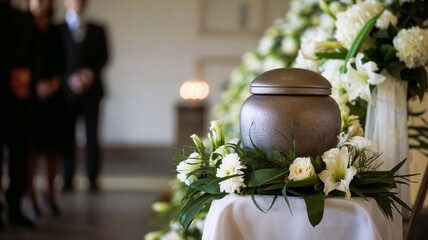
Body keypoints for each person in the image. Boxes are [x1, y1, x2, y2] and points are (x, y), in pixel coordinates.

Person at [60, 0, 108, 192]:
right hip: (66, 93)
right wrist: (69, 79)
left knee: (92, 136)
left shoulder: (98, 28)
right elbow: (56, 58)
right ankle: (67, 178)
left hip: (92, 92)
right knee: (66, 136)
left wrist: (87, 76)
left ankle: (92, 179)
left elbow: (104, 56)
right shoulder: (58, 29)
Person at [0, 0, 38, 228]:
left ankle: (15, 207)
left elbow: (36, 54)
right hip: (7, 93)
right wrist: (12, 76)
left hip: (19, 101)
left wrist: (29, 76)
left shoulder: (24, 19)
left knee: (19, 156)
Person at [27, 0, 65, 216]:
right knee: (30, 150)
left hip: (53, 97)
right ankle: (30, 196)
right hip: (30, 97)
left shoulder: (56, 30)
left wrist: (54, 84)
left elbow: (63, 60)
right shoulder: (23, 27)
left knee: (52, 149)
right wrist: (35, 84)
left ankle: (50, 194)